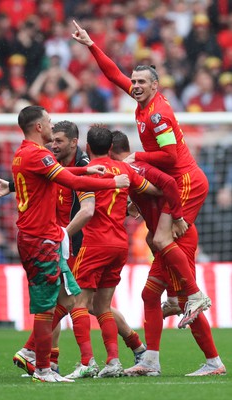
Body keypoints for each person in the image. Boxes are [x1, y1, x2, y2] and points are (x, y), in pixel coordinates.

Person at [71, 19, 211, 329]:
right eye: (133, 81)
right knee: (154, 238)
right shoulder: (141, 103)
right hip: (174, 180)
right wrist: (91, 44)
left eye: (141, 83)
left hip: (185, 181)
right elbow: (112, 74)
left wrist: (138, 156)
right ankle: (175, 299)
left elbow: (171, 156)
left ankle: (194, 294)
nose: (134, 86)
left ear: (155, 85)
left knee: (162, 237)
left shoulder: (158, 114)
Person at [0, 120, 146, 376]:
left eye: (59, 141)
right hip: (64, 239)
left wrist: (64, 235)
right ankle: (53, 359)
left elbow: (86, 209)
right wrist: (12, 186)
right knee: (83, 303)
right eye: (53, 140)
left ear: (76, 143)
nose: (54, 145)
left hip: (77, 241)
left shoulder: (86, 165)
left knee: (77, 302)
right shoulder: (56, 163)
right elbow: (49, 178)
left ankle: (50, 357)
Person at [110, 130, 226, 377]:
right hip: (166, 241)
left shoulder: (137, 168)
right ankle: (151, 360)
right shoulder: (128, 172)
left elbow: (170, 185)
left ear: (111, 151)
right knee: (149, 295)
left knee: (185, 303)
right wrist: (135, 204)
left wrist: (176, 216)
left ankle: (214, 362)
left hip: (177, 238)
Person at [62, 125, 172, 379]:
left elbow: (66, 185)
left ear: (87, 148)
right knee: (102, 306)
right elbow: (154, 190)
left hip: (95, 244)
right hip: (119, 245)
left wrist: (62, 235)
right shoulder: (124, 170)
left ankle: (87, 361)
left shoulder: (90, 174)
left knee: (77, 303)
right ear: (111, 148)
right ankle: (113, 361)